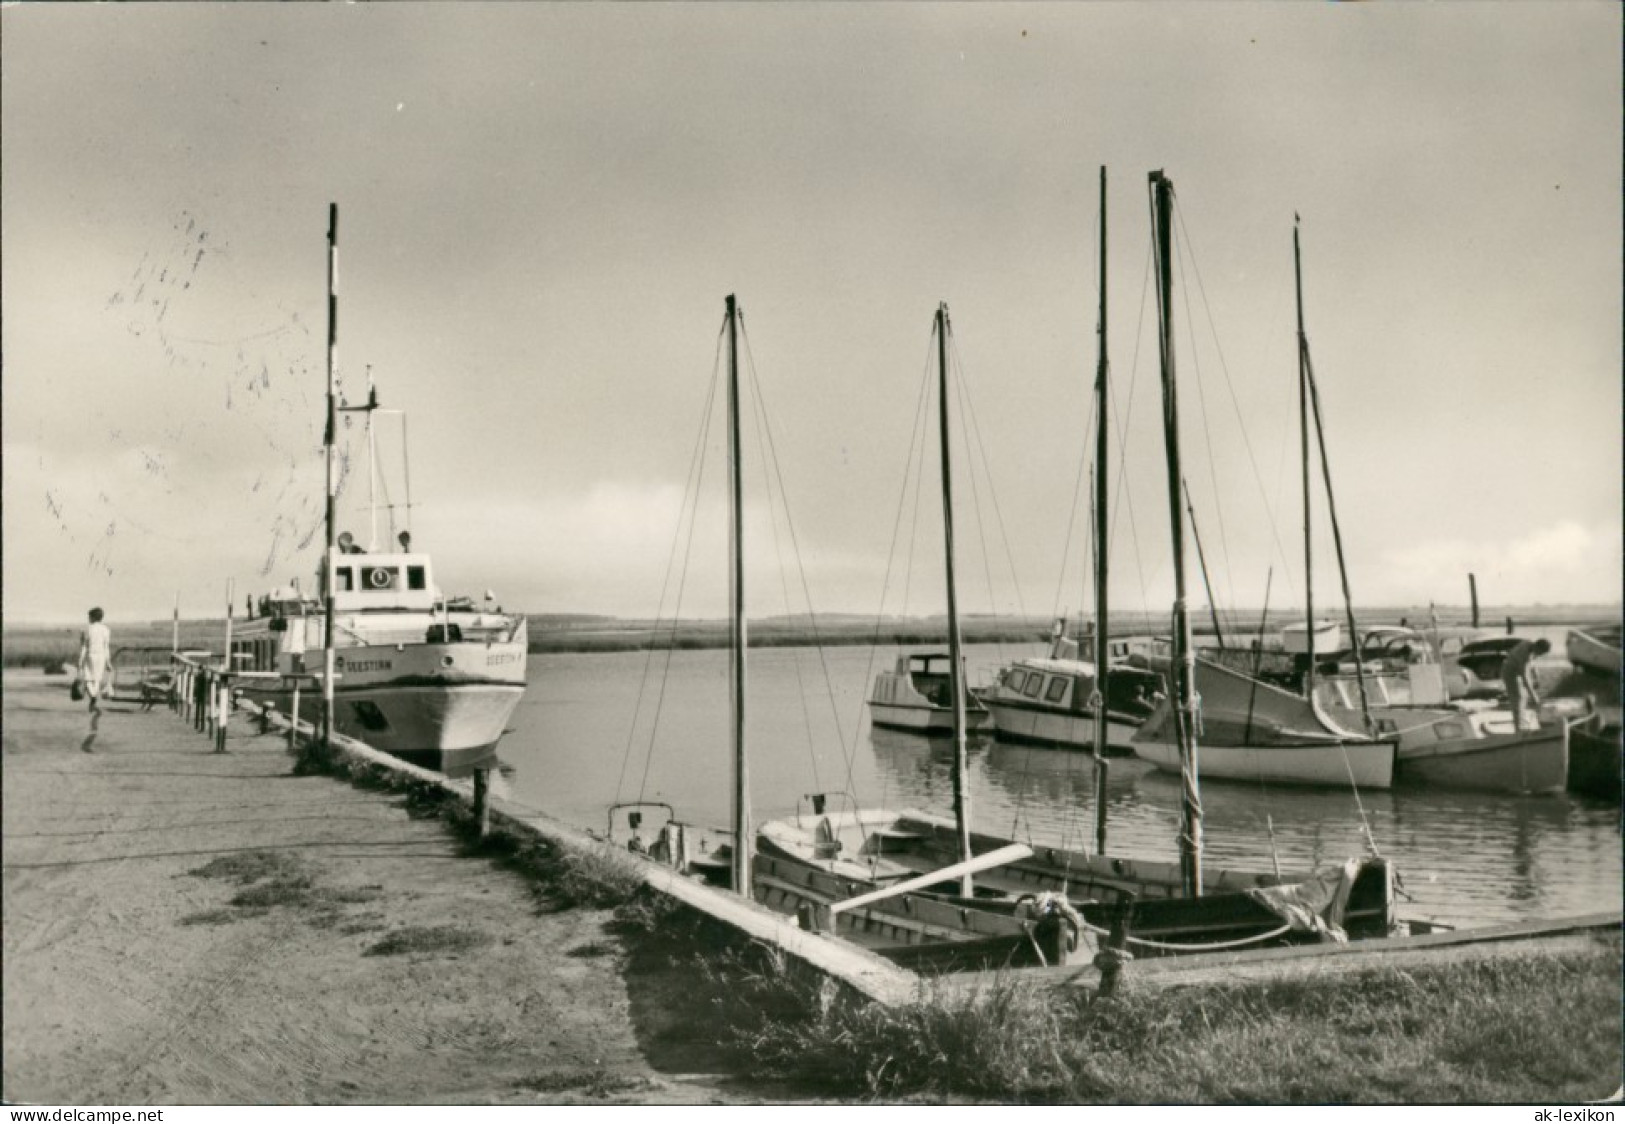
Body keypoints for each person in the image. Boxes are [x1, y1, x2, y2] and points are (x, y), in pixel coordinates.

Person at [1500, 637, 1551, 731]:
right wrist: (1534, 697)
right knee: (1518, 699)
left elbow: (1533, 662)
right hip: (1509, 673)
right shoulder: (1524, 655)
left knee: (1524, 697)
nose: (1540, 655)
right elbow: (1525, 678)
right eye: (1541, 653)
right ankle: (1519, 729)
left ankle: (1522, 722)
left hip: (1517, 672)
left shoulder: (1531, 645)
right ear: (1538, 648)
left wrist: (1536, 676)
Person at [78, 607, 112, 712]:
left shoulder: (87, 629)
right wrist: (108, 661)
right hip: (101, 656)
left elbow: (84, 646)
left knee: (88, 678)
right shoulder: (106, 630)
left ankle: (93, 696)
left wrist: (80, 660)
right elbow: (106, 647)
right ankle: (94, 697)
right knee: (97, 678)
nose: (88, 618)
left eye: (89, 616)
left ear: (92, 617)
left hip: (90, 655)